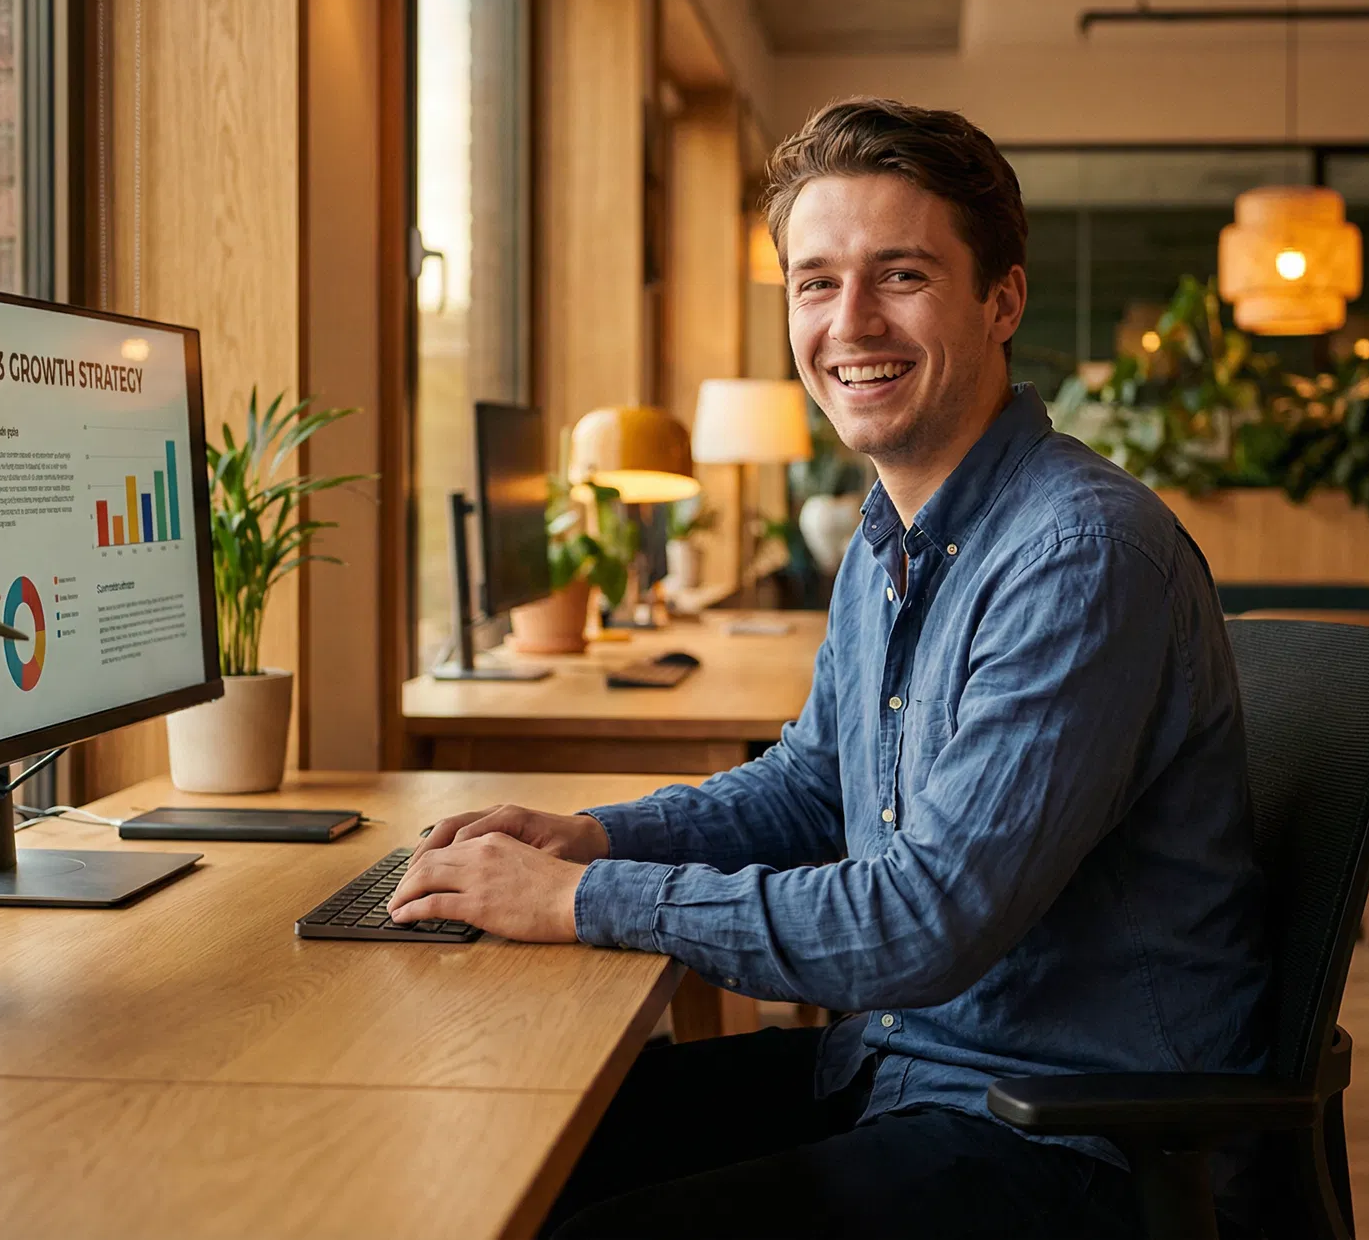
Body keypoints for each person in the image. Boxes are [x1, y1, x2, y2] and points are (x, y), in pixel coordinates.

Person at [389, 97, 1270, 1238]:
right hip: (908, 1067)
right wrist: (599, 837)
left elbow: (925, 918)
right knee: (506, 1148)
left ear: (1001, 301)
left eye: (899, 275)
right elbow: (812, 786)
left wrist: (577, 900)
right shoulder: (889, 534)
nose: (850, 321)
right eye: (816, 282)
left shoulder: (1079, 555)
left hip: (1075, 1139)